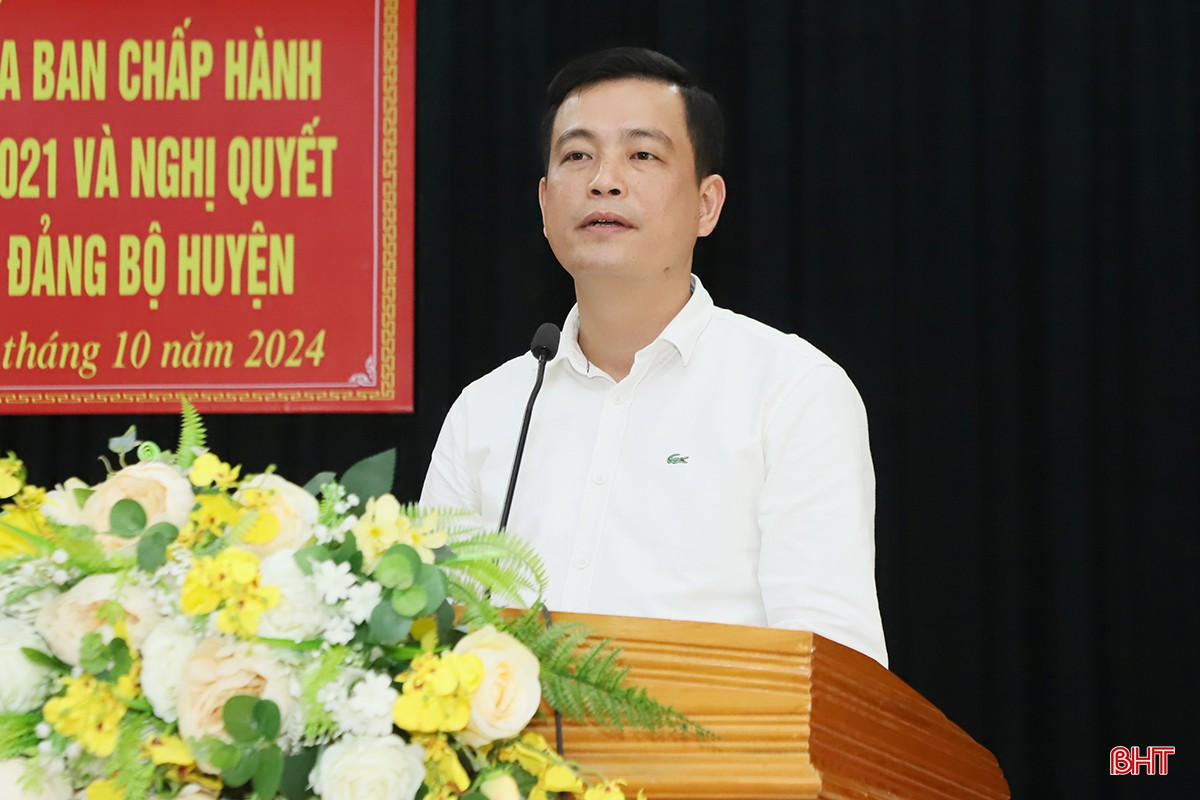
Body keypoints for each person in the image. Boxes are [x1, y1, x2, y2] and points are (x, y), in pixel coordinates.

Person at [421, 47, 888, 667]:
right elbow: (427, 643)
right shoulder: (487, 410)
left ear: (706, 204)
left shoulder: (790, 391)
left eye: (641, 155)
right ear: (544, 204)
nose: (603, 181)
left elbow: (833, 663)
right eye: (577, 156)